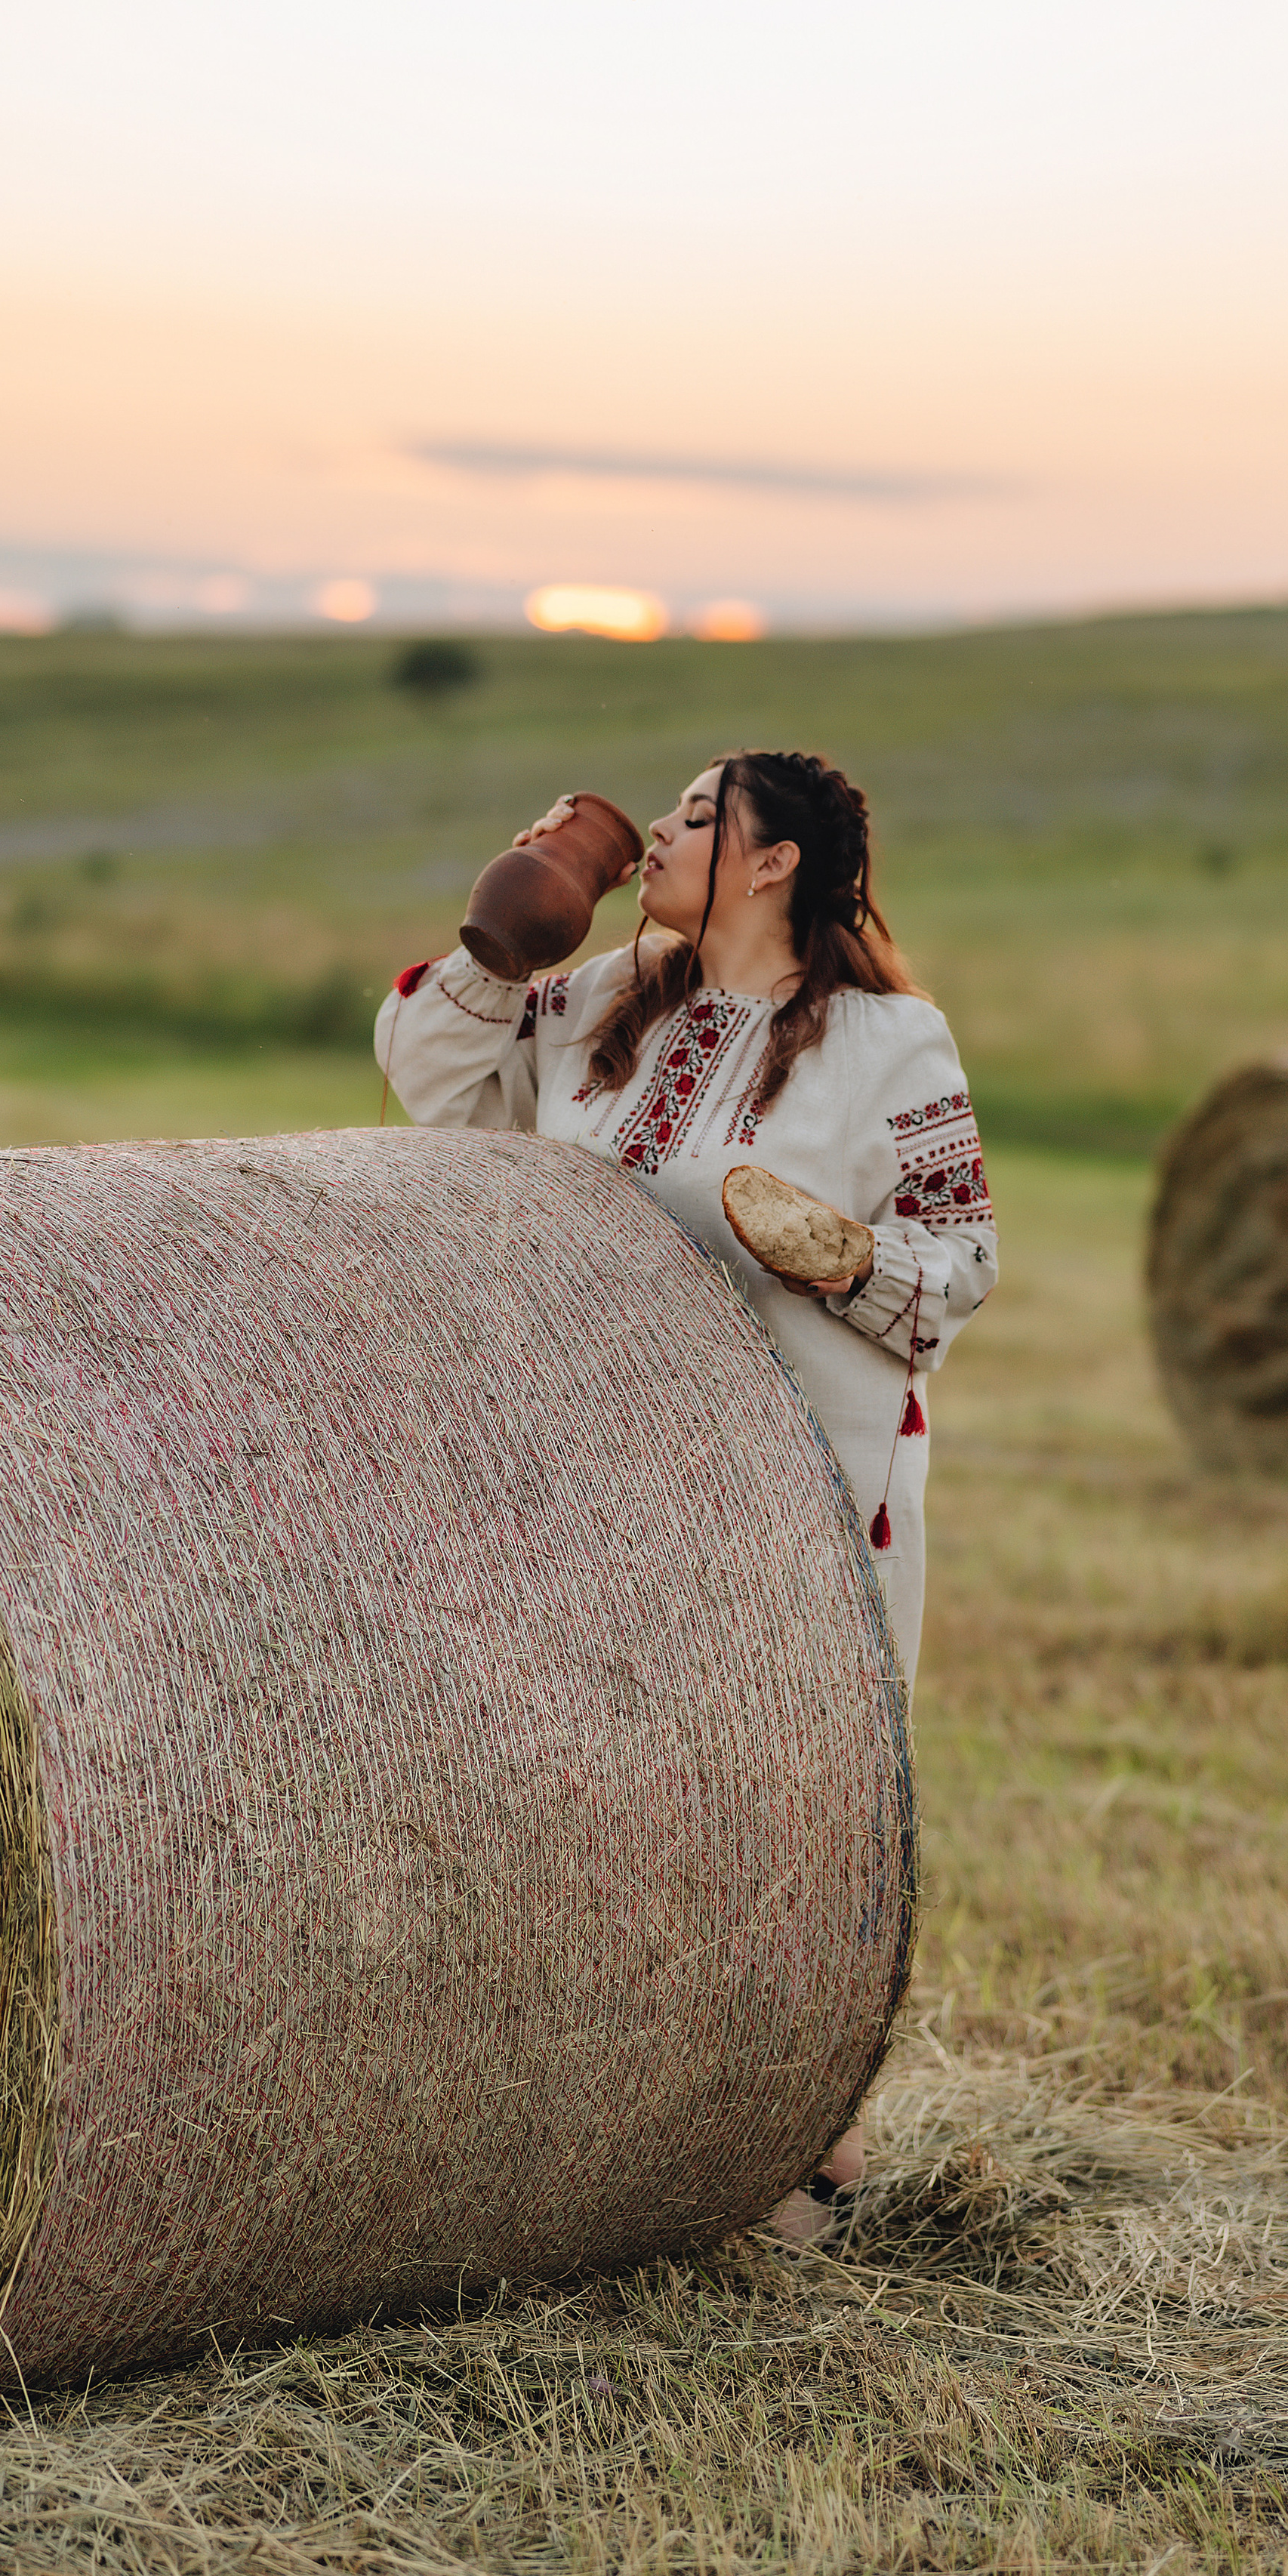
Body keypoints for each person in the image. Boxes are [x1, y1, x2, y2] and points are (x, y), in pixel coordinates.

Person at [374, 748, 997, 2234]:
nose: (658, 827)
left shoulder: (890, 1045)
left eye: (700, 814)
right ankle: (609, 2133)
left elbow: (957, 1272)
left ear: (774, 860)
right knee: (601, 1800)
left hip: (794, 1484)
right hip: (590, 1465)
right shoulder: (601, 999)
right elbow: (432, 1091)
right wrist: (501, 934)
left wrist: (842, 1256)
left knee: (794, 1807)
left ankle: (805, 2137)